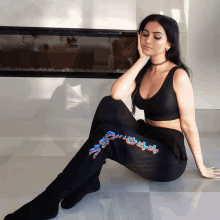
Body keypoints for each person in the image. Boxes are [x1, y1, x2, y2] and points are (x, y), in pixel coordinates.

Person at [4, 13, 220, 220]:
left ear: (169, 44)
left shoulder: (178, 75)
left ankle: (46, 203)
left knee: (108, 135)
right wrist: (141, 61)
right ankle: (90, 179)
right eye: (144, 34)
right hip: (146, 134)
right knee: (108, 104)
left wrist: (200, 166)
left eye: (157, 36)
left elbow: (189, 124)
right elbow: (116, 94)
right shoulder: (143, 70)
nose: (148, 40)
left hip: (167, 156)